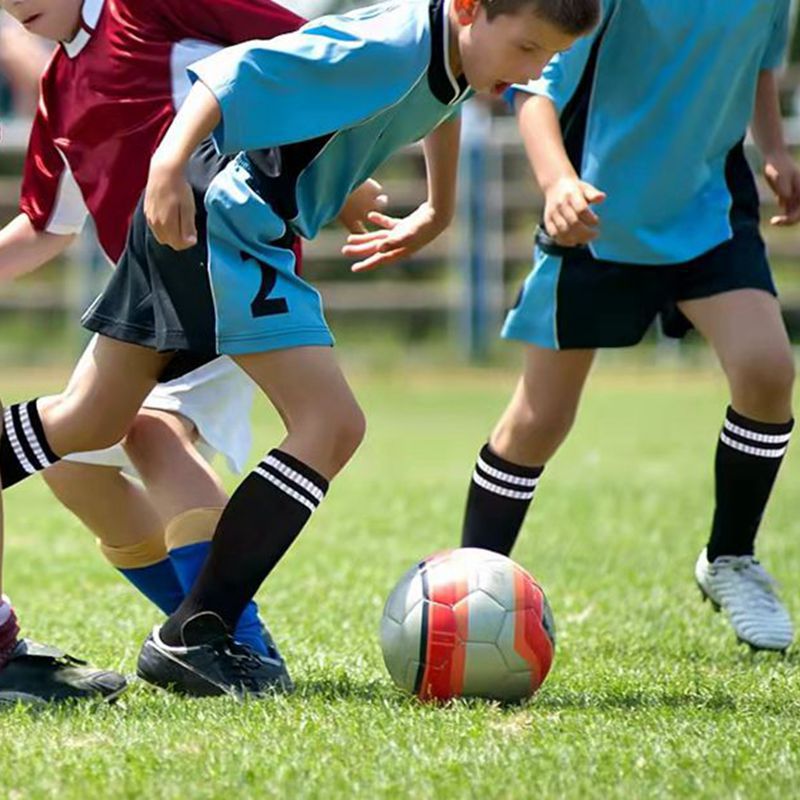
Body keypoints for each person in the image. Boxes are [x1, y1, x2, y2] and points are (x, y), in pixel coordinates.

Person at [0, 0, 600, 698]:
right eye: (527, 48)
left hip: (208, 222)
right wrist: (166, 162)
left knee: (89, 420)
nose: (532, 70)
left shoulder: (457, 49)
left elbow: (445, 98)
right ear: (470, 10)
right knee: (329, 424)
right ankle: (198, 631)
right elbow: (234, 71)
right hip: (228, 224)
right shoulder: (394, 42)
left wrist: (438, 207)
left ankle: (199, 629)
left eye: (547, 58)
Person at [0, 0, 384, 704]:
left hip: (224, 269)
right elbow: (46, 226)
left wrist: (340, 173)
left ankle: (231, 639)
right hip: (143, 306)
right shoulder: (60, 85)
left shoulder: (151, 7)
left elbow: (309, 50)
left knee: (151, 432)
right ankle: (206, 632)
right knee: (72, 465)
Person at [459, 0, 798, 652]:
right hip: (595, 216)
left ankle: (730, 558)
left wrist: (776, 150)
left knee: (767, 372)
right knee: (539, 420)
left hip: (709, 210)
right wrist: (558, 184)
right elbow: (535, 88)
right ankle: (470, 586)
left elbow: (758, 64)